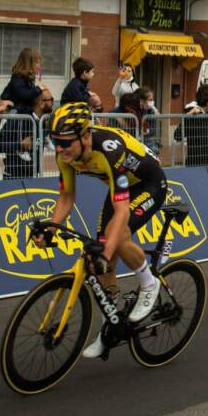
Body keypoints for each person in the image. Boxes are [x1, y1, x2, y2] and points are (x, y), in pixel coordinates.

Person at [34, 103, 167, 358]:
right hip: (122, 188)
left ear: (85, 136)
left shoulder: (108, 150)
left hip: (149, 184)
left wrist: (107, 253)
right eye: (55, 142)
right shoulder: (66, 155)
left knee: (117, 239)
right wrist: (51, 228)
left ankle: (149, 283)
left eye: (65, 142)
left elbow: (121, 212)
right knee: (100, 254)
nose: (59, 149)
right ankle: (113, 320)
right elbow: (66, 197)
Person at [0, 88, 53, 179]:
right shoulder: (18, 120)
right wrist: (20, 145)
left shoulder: (42, 122)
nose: (53, 103)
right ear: (41, 103)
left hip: (33, 177)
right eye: (51, 100)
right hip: (13, 178)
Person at [1, 47, 44, 114]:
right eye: (37, 62)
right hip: (15, 115)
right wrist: (38, 89)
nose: (39, 66)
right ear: (29, 64)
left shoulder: (29, 79)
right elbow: (24, 95)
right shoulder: (18, 77)